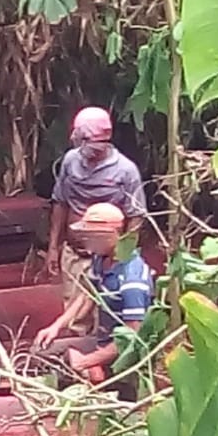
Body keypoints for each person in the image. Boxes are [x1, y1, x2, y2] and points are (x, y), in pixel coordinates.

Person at [46, 106, 147, 330]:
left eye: (85, 140)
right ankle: (77, 359)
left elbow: (135, 216)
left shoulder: (125, 171)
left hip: (104, 256)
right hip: (74, 253)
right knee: (75, 316)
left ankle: (96, 360)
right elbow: (60, 202)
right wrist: (53, 246)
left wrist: (122, 256)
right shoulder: (71, 161)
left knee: (104, 316)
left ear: (102, 139)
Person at [33, 202, 153, 383]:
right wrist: (56, 327)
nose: (85, 241)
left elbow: (132, 338)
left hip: (123, 357)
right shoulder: (101, 258)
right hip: (101, 341)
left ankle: (99, 379)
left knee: (70, 369)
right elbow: (88, 294)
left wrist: (87, 361)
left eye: (90, 236)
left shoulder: (131, 280)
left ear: (110, 235)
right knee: (41, 350)